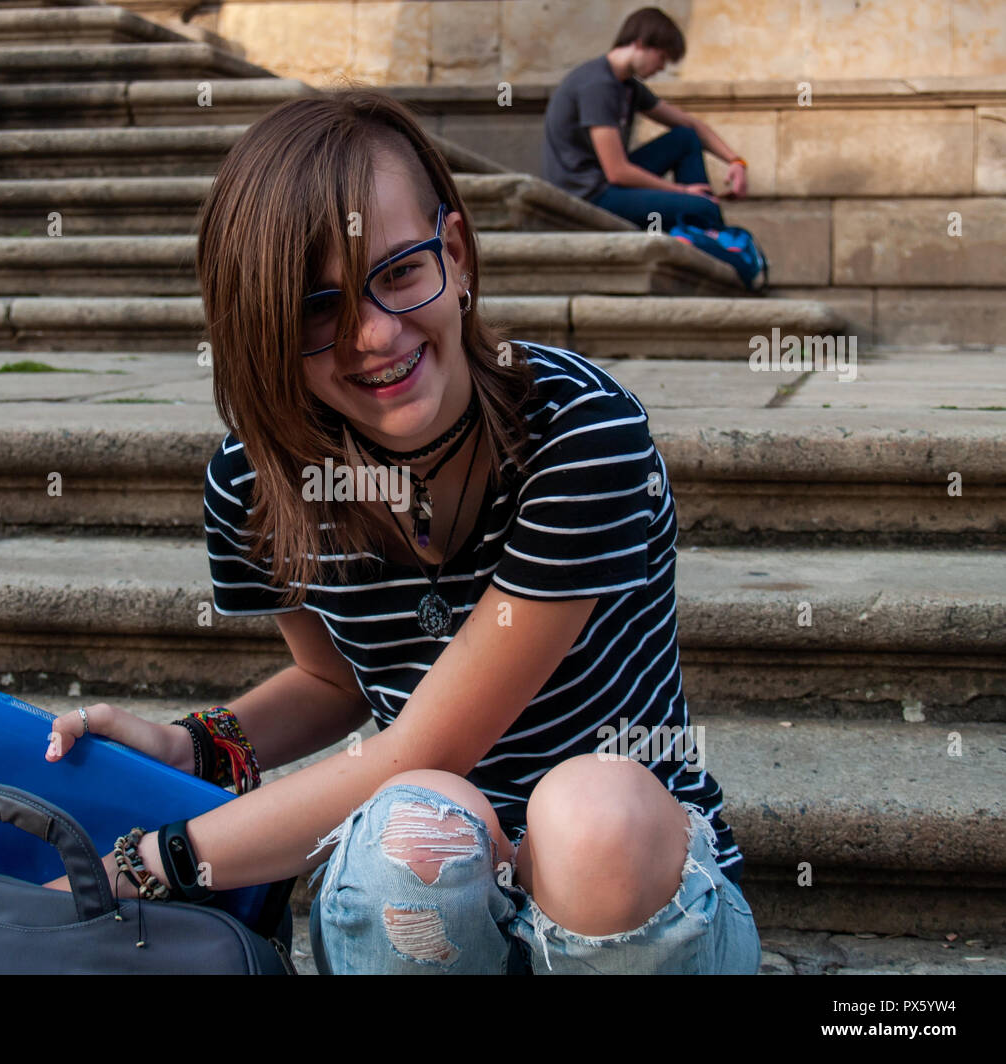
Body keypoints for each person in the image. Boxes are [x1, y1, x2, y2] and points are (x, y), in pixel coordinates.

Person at [44, 87, 761, 975]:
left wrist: (136, 866)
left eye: (400, 273)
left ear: (453, 254)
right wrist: (198, 745)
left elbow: (430, 741)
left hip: (636, 897)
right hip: (433, 881)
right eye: (317, 309)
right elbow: (332, 679)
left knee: (585, 810)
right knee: (415, 825)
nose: (375, 336)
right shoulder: (257, 479)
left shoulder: (579, 433)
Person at [543, 6, 748, 232]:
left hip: (607, 183)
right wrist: (681, 191)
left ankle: (700, 231)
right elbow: (617, 171)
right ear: (640, 44)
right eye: (661, 58)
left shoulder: (627, 85)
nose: (661, 68)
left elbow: (689, 124)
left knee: (685, 138)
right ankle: (709, 239)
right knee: (703, 208)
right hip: (589, 195)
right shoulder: (597, 85)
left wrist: (735, 162)